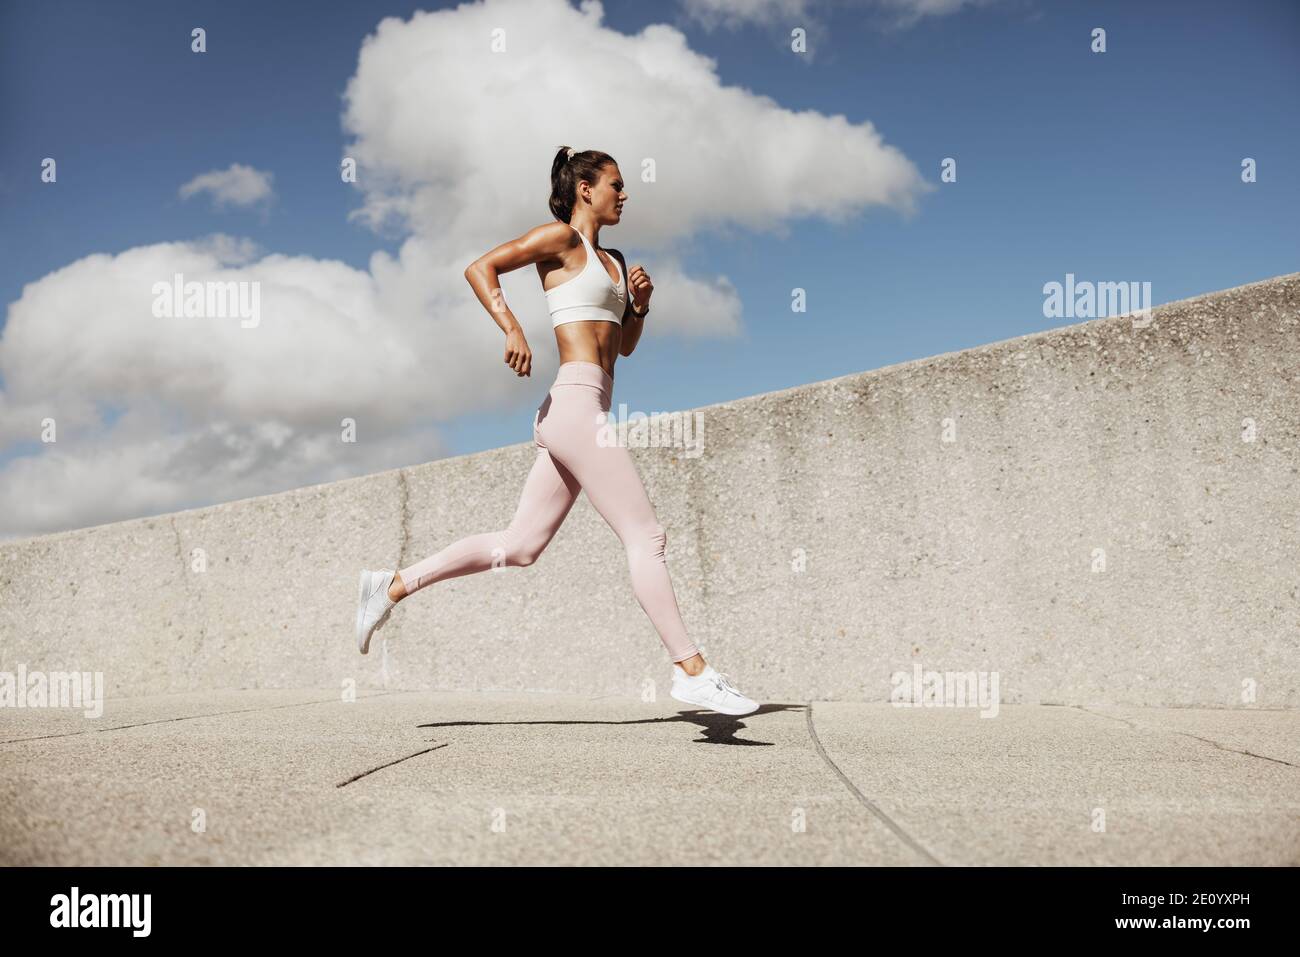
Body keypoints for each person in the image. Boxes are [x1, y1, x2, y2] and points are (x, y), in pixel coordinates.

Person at [354, 146, 757, 717]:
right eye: (616, 184)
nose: (625, 194)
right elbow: (480, 267)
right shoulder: (561, 241)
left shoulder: (616, 262)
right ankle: (691, 669)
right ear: (585, 189)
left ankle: (390, 585)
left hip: (587, 402)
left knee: (518, 548)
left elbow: (622, 349)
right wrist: (513, 329)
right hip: (572, 405)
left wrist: (638, 307)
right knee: (647, 537)